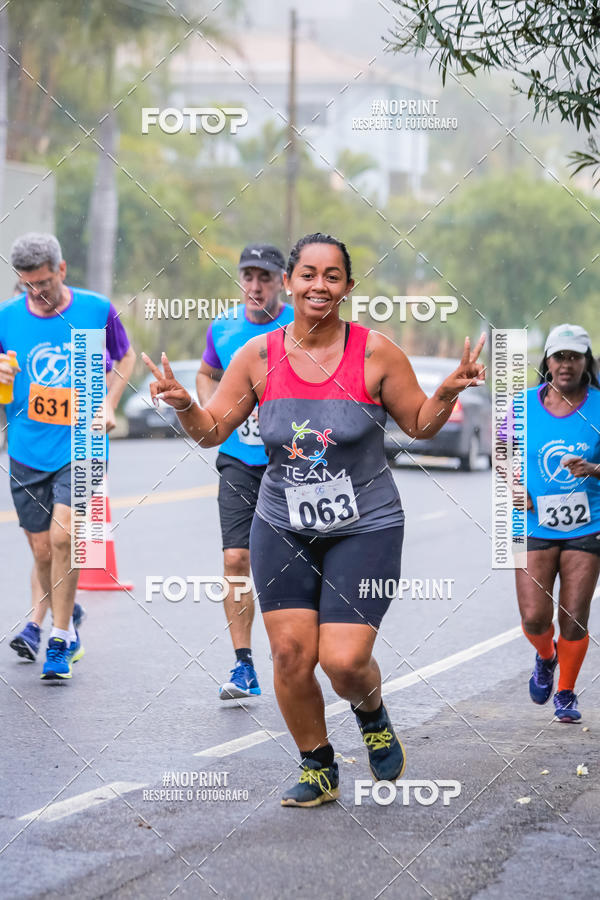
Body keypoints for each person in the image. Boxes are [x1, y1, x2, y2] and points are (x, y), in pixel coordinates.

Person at [143, 232, 485, 806]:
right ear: (290, 282)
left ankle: (371, 712)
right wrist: (184, 405)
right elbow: (212, 432)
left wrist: (446, 393)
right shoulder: (257, 357)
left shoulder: (376, 354)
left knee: (344, 662)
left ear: (347, 287)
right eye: (308, 274)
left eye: (332, 276)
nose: (318, 285)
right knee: (290, 655)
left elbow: (421, 426)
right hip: (282, 523)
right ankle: (318, 764)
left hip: (365, 525)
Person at [0, 232, 136, 679]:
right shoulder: (6, 317)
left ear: (61, 270)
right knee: (42, 551)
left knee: (64, 538)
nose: (37, 292)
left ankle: (59, 638)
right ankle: (67, 610)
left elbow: (125, 357)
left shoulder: (95, 310)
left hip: (83, 445)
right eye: (28, 285)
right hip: (26, 448)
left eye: (44, 282)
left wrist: (109, 402)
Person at [196, 243, 293, 700]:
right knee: (236, 559)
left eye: (265, 278)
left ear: (282, 282)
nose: (255, 286)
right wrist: (211, 408)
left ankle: (296, 656)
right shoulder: (223, 327)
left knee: (290, 563)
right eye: (248, 276)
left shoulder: (301, 325)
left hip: (292, 461)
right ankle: (243, 665)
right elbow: (207, 373)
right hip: (238, 458)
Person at [515, 324, 600, 722]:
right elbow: (501, 454)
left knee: (574, 616)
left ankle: (565, 692)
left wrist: (593, 469)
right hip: (530, 523)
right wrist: (514, 486)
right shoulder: (521, 405)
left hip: (588, 525)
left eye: (574, 357)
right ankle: (546, 656)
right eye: (559, 356)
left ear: (586, 362)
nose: (566, 364)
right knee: (534, 617)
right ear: (547, 361)